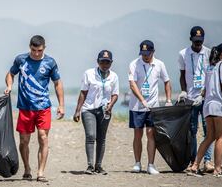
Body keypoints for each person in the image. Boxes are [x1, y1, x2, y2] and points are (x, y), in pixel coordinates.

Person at [4, 35, 64, 182]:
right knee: (24, 141)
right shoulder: (21, 60)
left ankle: (41, 172)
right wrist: (10, 86)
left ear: (44, 48)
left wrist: (61, 105)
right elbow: (10, 74)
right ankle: (27, 169)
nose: (36, 53)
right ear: (29, 47)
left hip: (43, 107)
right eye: (33, 50)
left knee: (43, 138)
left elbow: (57, 83)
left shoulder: (50, 62)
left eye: (39, 50)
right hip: (25, 108)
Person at [128, 40, 172, 175]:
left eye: (147, 53)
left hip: (153, 107)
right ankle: (137, 163)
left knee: (151, 134)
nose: (145, 56)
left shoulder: (159, 64)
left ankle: (151, 165)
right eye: (143, 53)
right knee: (138, 134)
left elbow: (166, 81)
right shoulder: (134, 64)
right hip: (136, 106)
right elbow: (132, 84)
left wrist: (169, 99)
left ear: (153, 52)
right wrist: (142, 99)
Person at [73, 50, 119, 175]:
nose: (105, 65)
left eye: (107, 62)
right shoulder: (89, 73)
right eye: (102, 62)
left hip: (105, 111)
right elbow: (83, 92)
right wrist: (77, 111)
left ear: (111, 63)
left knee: (101, 138)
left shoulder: (114, 76)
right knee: (91, 136)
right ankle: (90, 166)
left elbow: (115, 94)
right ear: (97, 62)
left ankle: (99, 166)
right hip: (88, 109)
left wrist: (111, 105)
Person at [177, 26, 214, 172]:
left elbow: (211, 76)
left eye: (200, 41)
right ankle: (194, 161)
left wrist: (203, 94)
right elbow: (182, 75)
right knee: (192, 130)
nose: (198, 44)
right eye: (195, 41)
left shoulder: (209, 53)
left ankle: (208, 161)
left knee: (208, 130)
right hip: (191, 99)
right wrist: (183, 91)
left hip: (205, 98)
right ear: (190, 39)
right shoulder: (183, 54)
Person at [190, 43, 222, 176]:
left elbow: (205, 90)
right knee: (220, 137)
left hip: (208, 106)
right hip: (219, 106)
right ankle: (218, 169)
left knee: (210, 137)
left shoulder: (209, 67)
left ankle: (195, 166)